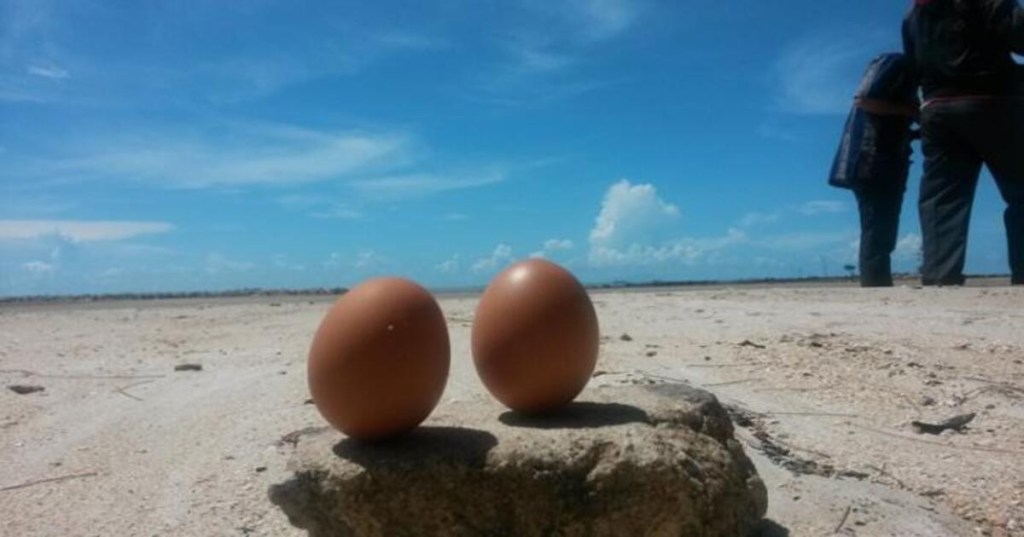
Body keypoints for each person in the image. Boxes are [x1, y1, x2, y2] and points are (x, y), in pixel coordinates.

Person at [903, 0, 1024, 286]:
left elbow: (913, 65)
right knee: (1021, 191)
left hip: (937, 108)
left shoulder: (913, 15)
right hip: (995, 103)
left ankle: (940, 276)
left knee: (942, 197)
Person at [829, 53, 919, 287]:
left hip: (880, 160)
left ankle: (877, 281)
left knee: (881, 225)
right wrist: (913, 112)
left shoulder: (896, 67)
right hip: (870, 161)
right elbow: (864, 100)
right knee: (877, 224)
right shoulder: (896, 63)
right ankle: (875, 283)